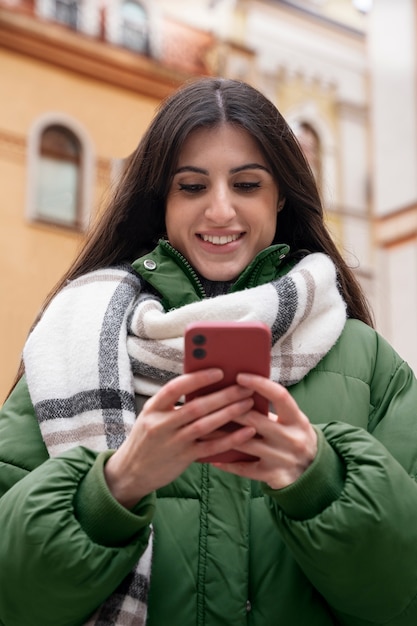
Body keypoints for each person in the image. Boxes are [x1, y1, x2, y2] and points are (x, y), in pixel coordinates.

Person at [1, 76, 417, 626]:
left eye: (246, 184)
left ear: (281, 195)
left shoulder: (368, 362)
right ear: (161, 201)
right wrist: (115, 486)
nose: (220, 211)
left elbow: (402, 600)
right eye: (192, 187)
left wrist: (319, 481)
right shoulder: (69, 345)